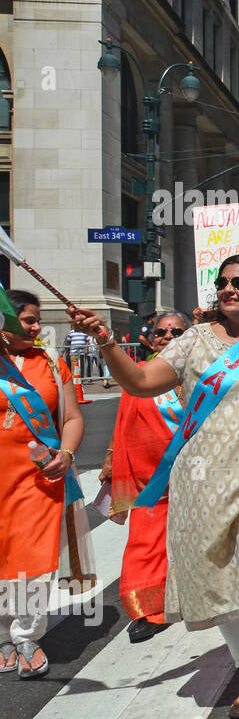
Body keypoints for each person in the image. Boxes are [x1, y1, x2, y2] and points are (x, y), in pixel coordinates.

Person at [68, 254, 239, 719]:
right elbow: (138, 382)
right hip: (201, 483)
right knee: (220, 587)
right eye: (223, 283)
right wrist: (106, 341)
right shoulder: (192, 341)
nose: (228, 289)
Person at [1, 290, 87, 679]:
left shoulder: (52, 362)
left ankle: (25, 635)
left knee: (33, 559)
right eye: (28, 321)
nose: (38, 329)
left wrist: (66, 454)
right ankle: (3, 635)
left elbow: (71, 418)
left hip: (39, 478)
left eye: (38, 321)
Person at [99, 311, 190, 644]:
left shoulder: (205, 372)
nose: (167, 336)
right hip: (148, 478)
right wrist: (112, 457)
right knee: (146, 543)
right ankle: (148, 610)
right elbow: (124, 418)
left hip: (195, 475)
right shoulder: (138, 374)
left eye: (176, 331)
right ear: (150, 338)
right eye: (161, 331)